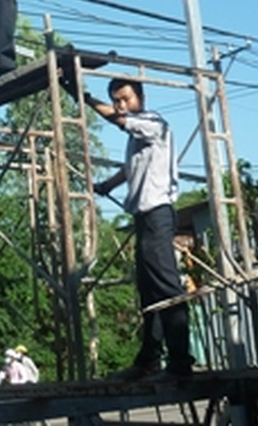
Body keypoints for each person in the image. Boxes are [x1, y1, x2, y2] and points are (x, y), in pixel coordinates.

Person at [87, 78, 194, 380]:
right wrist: (106, 185)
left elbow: (119, 121)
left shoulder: (153, 124)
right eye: (116, 99)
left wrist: (85, 98)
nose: (121, 104)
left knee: (167, 287)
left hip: (158, 214)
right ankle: (149, 359)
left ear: (141, 97)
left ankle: (180, 362)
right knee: (148, 290)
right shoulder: (138, 136)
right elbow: (130, 167)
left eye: (125, 98)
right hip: (144, 218)